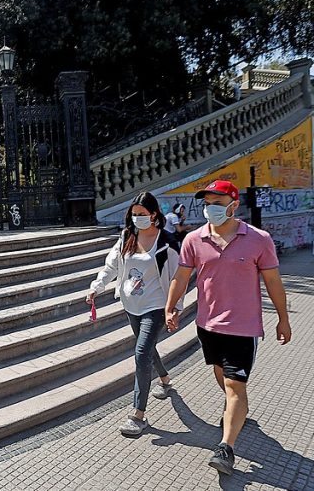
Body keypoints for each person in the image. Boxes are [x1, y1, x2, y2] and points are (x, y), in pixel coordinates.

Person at [165, 180, 291, 476]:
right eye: (207, 203)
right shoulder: (194, 239)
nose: (210, 209)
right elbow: (181, 277)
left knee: (236, 386)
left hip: (243, 328)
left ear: (234, 205)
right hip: (207, 325)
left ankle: (226, 447)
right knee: (221, 375)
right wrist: (172, 307)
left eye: (218, 204)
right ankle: (237, 408)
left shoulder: (259, 239)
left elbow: (273, 282)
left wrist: (283, 318)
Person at [87, 191, 183, 437]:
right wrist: (97, 287)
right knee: (147, 348)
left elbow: (177, 278)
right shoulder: (126, 237)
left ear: (154, 214)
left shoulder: (167, 242)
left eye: (143, 214)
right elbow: (112, 266)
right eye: (134, 214)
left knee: (141, 352)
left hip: (156, 306)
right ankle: (165, 379)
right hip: (131, 305)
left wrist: (174, 308)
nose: (138, 218)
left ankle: (138, 415)